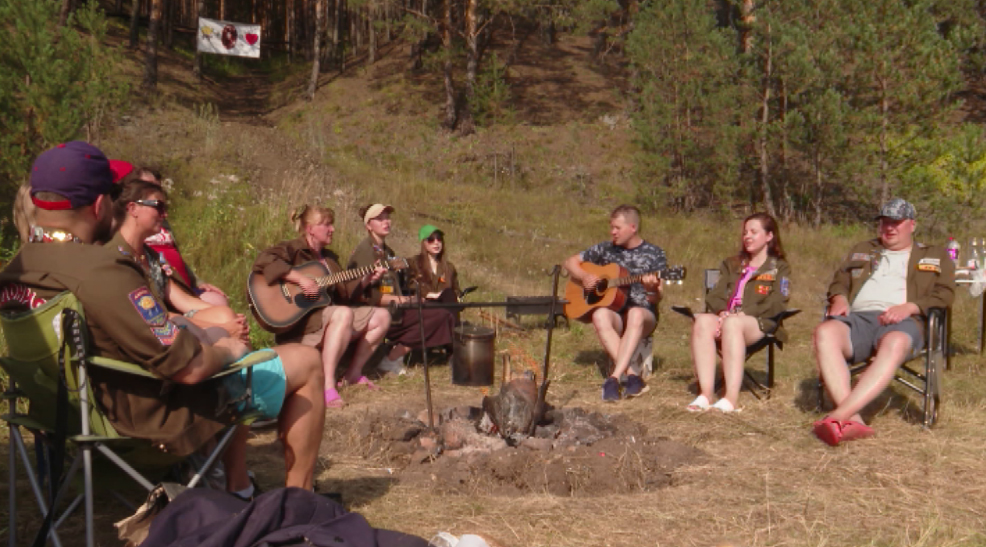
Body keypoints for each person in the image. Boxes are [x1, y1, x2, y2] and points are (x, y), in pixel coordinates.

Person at [0, 141, 326, 494]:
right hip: (148, 422)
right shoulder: (102, 271)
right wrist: (229, 349)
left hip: (62, 417)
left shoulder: (17, 269)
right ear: (99, 205)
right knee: (306, 361)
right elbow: (189, 368)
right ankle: (300, 499)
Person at [813, 198, 955, 446]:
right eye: (884, 222)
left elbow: (945, 294)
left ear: (912, 225)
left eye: (896, 223)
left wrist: (911, 307)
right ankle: (854, 420)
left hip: (906, 321)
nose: (889, 228)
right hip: (858, 319)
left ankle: (838, 416)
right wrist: (838, 297)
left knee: (895, 341)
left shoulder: (933, 254)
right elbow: (839, 280)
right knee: (825, 333)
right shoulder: (863, 249)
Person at [252, 205, 392, 408]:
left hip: (330, 316)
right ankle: (326, 386)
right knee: (342, 314)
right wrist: (300, 279)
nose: (333, 229)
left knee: (382, 317)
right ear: (310, 229)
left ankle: (352, 374)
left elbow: (343, 294)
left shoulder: (329, 259)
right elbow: (263, 260)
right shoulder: (293, 249)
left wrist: (366, 280)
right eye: (327, 225)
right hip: (301, 323)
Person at [112, 179, 248, 343]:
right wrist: (224, 328)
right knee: (225, 330)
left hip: (172, 319)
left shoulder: (149, 255)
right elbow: (153, 315)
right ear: (133, 208)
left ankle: (241, 363)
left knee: (226, 315)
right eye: (159, 206)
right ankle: (238, 364)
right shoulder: (118, 257)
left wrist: (233, 319)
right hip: (151, 329)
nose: (165, 214)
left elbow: (182, 300)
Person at [687, 213, 792, 413]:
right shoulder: (731, 264)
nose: (747, 236)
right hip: (727, 317)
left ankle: (730, 399)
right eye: (745, 232)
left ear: (769, 236)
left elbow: (778, 302)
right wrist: (722, 311)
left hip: (758, 322)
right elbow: (715, 295)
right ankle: (706, 394)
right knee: (701, 321)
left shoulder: (779, 267)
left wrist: (744, 313)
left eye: (754, 232)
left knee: (733, 324)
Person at [563, 204, 664, 401]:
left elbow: (658, 297)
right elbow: (570, 262)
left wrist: (651, 289)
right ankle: (633, 376)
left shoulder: (654, 253)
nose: (613, 232)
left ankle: (614, 377)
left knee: (635, 312)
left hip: (644, 316)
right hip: (615, 313)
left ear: (632, 227)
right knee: (599, 314)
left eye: (617, 228)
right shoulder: (605, 249)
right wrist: (585, 277)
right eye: (611, 227)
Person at [348, 204, 455, 374]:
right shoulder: (365, 252)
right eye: (380, 218)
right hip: (376, 313)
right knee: (437, 315)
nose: (386, 221)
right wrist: (407, 300)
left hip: (395, 308)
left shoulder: (388, 252)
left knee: (441, 311)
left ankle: (448, 353)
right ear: (368, 225)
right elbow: (367, 296)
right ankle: (391, 359)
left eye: (388, 217)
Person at [126, 167, 230, 307]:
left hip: (182, 286)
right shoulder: (130, 226)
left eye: (157, 187)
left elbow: (177, 255)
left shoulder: (161, 221)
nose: (155, 192)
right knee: (218, 314)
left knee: (218, 300)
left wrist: (199, 282)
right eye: (148, 186)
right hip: (163, 292)